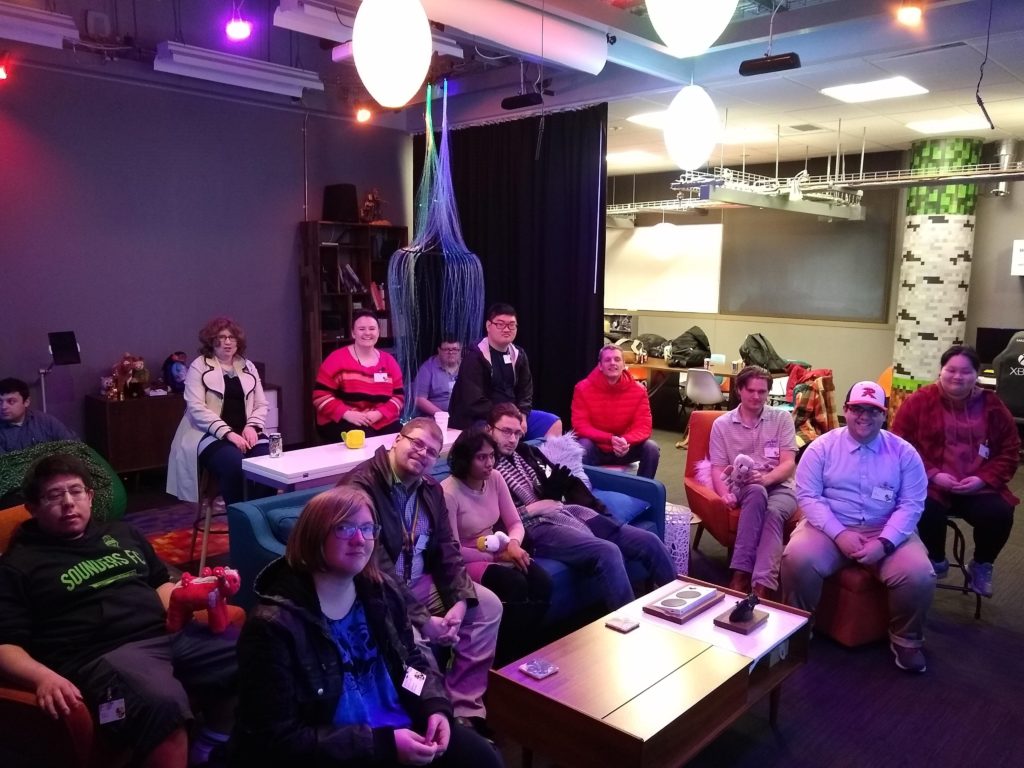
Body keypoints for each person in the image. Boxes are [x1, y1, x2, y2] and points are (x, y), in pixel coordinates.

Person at [230, 486, 502, 768]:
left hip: (402, 728)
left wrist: (434, 705)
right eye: (345, 529)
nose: (360, 539)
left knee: (482, 757)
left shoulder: (383, 591)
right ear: (313, 537)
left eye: (368, 528)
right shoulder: (272, 626)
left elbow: (411, 663)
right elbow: (277, 739)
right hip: (340, 752)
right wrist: (383, 746)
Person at [0, 454, 238, 767]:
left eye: (76, 491)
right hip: (105, 655)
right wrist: (43, 677)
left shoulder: (123, 534)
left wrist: (189, 600)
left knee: (255, 649)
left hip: (165, 634)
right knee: (161, 703)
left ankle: (211, 743)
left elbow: (159, 584)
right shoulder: (18, 565)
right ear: (33, 508)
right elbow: (5, 644)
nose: (69, 503)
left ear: (90, 497)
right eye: (54, 495)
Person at [339, 418, 502, 735]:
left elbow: (447, 548)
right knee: (416, 645)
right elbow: (376, 567)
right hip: (375, 594)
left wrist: (459, 599)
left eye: (431, 452)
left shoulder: (430, 489)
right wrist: (423, 619)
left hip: (420, 583)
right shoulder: (360, 488)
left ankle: (464, 708)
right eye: (416, 443)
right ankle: (430, 719)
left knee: (487, 607)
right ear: (397, 440)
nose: (422, 453)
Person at [782, 381, 934, 673]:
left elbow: (911, 504)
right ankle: (800, 629)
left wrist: (885, 543)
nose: (864, 416)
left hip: (885, 528)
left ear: (884, 414)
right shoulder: (821, 448)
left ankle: (906, 639)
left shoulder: (904, 453)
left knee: (920, 575)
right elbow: (808, 497)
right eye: (857, 409)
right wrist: (839, 534)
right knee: (797, 558)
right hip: (829, 527)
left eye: (872, 410)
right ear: (845, 411)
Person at [488, 403, 675, 613]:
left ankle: (681, 607)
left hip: (566, 512)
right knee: (607, 551)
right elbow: (490, 521)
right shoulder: (485, 467)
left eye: (517, 432)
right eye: (505, 431)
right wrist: (534, 509)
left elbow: (561, 481)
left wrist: (559, 493)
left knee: (648, 541)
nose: (512, 439)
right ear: (489, 430)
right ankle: (630, 627)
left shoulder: (527, 452)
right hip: (535, 529)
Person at [891, 344, 1020, 597]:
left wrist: (983, 479)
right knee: (923, 508)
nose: (957, 377)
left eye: (965, 371)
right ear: (941, 371)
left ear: (976, 375)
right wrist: (934, 474)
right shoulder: (919, 401)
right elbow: (899, 445)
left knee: (1001, 513)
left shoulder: (992, 404)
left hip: (976, 487)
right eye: (951, 370)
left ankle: (982, 564)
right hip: (932, 485)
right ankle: (936, 559)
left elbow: (1010, 448)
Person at [442, 429, 552, 664]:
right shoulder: (449, 492)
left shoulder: (496, 479)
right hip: (469, 559)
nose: (490, 462)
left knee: (543, 582)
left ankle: (528, 646)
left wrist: (513, 545)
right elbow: (452, 550)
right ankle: (505, 658)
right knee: (515, 585)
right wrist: (496, 557)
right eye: (481, 457)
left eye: (492, 456)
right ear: (465, 459)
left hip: (498, 548)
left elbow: (514, 523)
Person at [708, 365, 798, 598]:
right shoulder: (722, 424)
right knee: (756, 491)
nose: (757, 396)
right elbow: (717, 467)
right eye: (751, 391)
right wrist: (724, 493)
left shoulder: (782, 418)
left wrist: (767, 478)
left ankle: (758, 584)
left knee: (773, 512)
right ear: (739, 390)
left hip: (780, 485)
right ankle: (745, 577)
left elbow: (789, 464)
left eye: (762, 391)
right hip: (740, 484)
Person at [167, 317, 270, 506]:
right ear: (212, 341)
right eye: (222, 337)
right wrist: (228, 433)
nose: (228, 342)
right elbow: (196, 408)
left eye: (232, 337)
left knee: (270, 463)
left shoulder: (248, 366)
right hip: (207, 434)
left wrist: (253, 426)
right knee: (234, 465)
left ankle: (259, 514)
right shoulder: (200, 365)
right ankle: (241, 519)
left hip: (246, 432)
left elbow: (261, 404)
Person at [448, 303, 562, 440]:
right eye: (500, 324)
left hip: (513, 415)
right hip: (479, 418)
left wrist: (523, 416)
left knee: (553, 422)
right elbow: (473, 401)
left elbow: (526, 392)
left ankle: (539, 460)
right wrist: (507, 418)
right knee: (501, 430)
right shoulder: (475, 357)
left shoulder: (519, 354)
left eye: (511, 325)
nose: (507, 329)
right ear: (488, 326)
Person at [313, 309, 404, 443]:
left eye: (372, 328)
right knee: (367, 441)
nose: (367, 333)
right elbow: (320, 396)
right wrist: (347, 414)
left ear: (378, 332)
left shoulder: (389, 361)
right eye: (361, 329)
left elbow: (398, 397)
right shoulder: (336, 359)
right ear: (353, 333)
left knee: (404, 439)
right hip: (342, 420)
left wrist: (380, 413)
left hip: (380, 419)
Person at [570, 344, 660, 478]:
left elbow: (644, 427)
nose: (612, 363)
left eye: (617, 359)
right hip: (597, 448)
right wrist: (609, 439)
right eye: (607, 360)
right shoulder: (582, 388)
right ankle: (586, 492)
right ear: (600, 365)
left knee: (651, 448)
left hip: (626, 448)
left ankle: (643, 491)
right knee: (583, 445)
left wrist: (625, 441)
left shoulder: (639, 391)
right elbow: (580, 426)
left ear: (624, 364)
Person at [0, 377, 75, 454]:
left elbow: (74, 445)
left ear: (26, 402)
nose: (3, 407)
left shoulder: (45, 421)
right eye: (0, 401)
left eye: (11, 401)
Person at [414, 338, 462, 416]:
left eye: (455, 349)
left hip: (463, 417)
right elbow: (419, 399)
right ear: (439, 350)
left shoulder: (467, 366)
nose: (451, 352)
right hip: (436, 418)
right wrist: (442, 415)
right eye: (446, 349)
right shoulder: (427, 368)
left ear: (460, 351)